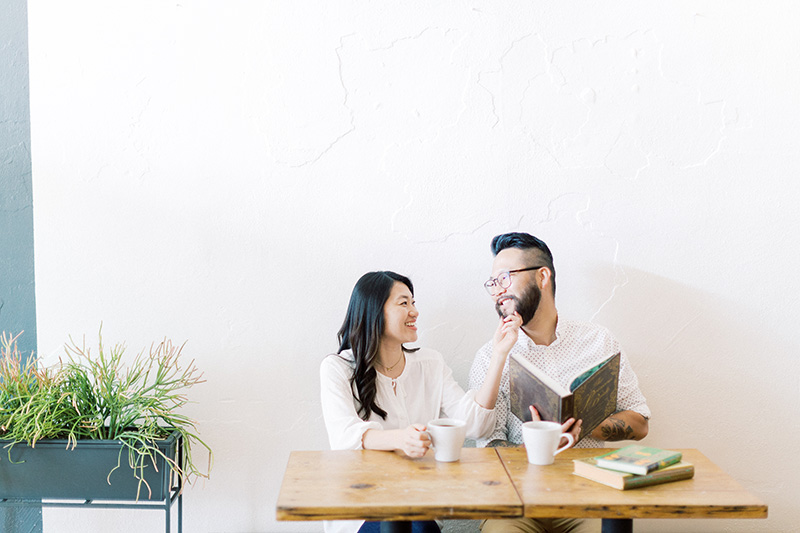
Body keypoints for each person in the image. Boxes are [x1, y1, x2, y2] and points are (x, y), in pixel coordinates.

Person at [468, 233, 651, 533]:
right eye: (492, 283)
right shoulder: (490, 356)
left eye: (504, 278)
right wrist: (537, 441)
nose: (497, 291)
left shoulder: (599, 342)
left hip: (587, 495)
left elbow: (640, 423)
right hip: (516, 501)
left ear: (542, 276)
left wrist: (585, 426)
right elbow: (486, 445)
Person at [320, 271, 521, 533]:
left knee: (420, 526)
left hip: (419, 503)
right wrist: (400, 439)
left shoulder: (430, 362)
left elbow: (475, 425)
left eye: (413, 303)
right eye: (404, 303)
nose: (414, 312)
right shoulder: (338, 368)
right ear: (374, 311)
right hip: (363, 507)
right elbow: (344, 436)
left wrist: (499, 355)